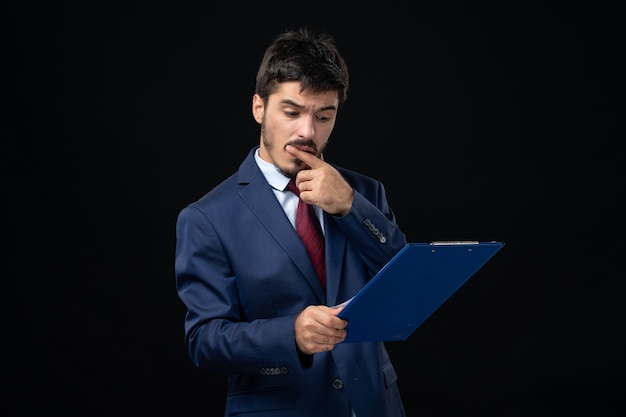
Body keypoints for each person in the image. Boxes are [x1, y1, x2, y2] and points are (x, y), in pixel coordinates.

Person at [175, 27, 408, 417]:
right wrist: (291, 334)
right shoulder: (206, 218)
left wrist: (350, 207)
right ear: (258, 108)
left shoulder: (365, 193)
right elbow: (204, 340)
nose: (307, 132)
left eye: (323, 116)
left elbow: (404, 287)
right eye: (292, 112)